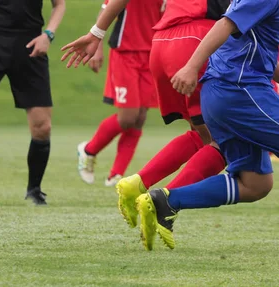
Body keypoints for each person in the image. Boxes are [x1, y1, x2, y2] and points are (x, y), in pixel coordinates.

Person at [146, 0, 279, 250]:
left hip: (223, 91)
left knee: (256, 183)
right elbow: (225, 24)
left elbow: (258, 47)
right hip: (240, 90)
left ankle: (167, 200)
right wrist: (192, 66)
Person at [61, 0, 232, 228]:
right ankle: (163, 202)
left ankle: (131, 181)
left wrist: (96, 33)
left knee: (198, 133)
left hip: (161, 42)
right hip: (195, 40)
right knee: (222, 143)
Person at [76, 0, 164, 187]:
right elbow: (106, 10)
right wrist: (97, 47)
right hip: (125, 53)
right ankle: (88, 150)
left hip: (151, 53)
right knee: (128, 117)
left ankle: (116, 174)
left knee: (140, 117)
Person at [0, 0, 66, 205]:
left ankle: (34, 190)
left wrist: (48, 35)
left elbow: (59, 5)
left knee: (42, 127)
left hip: (32, 45)